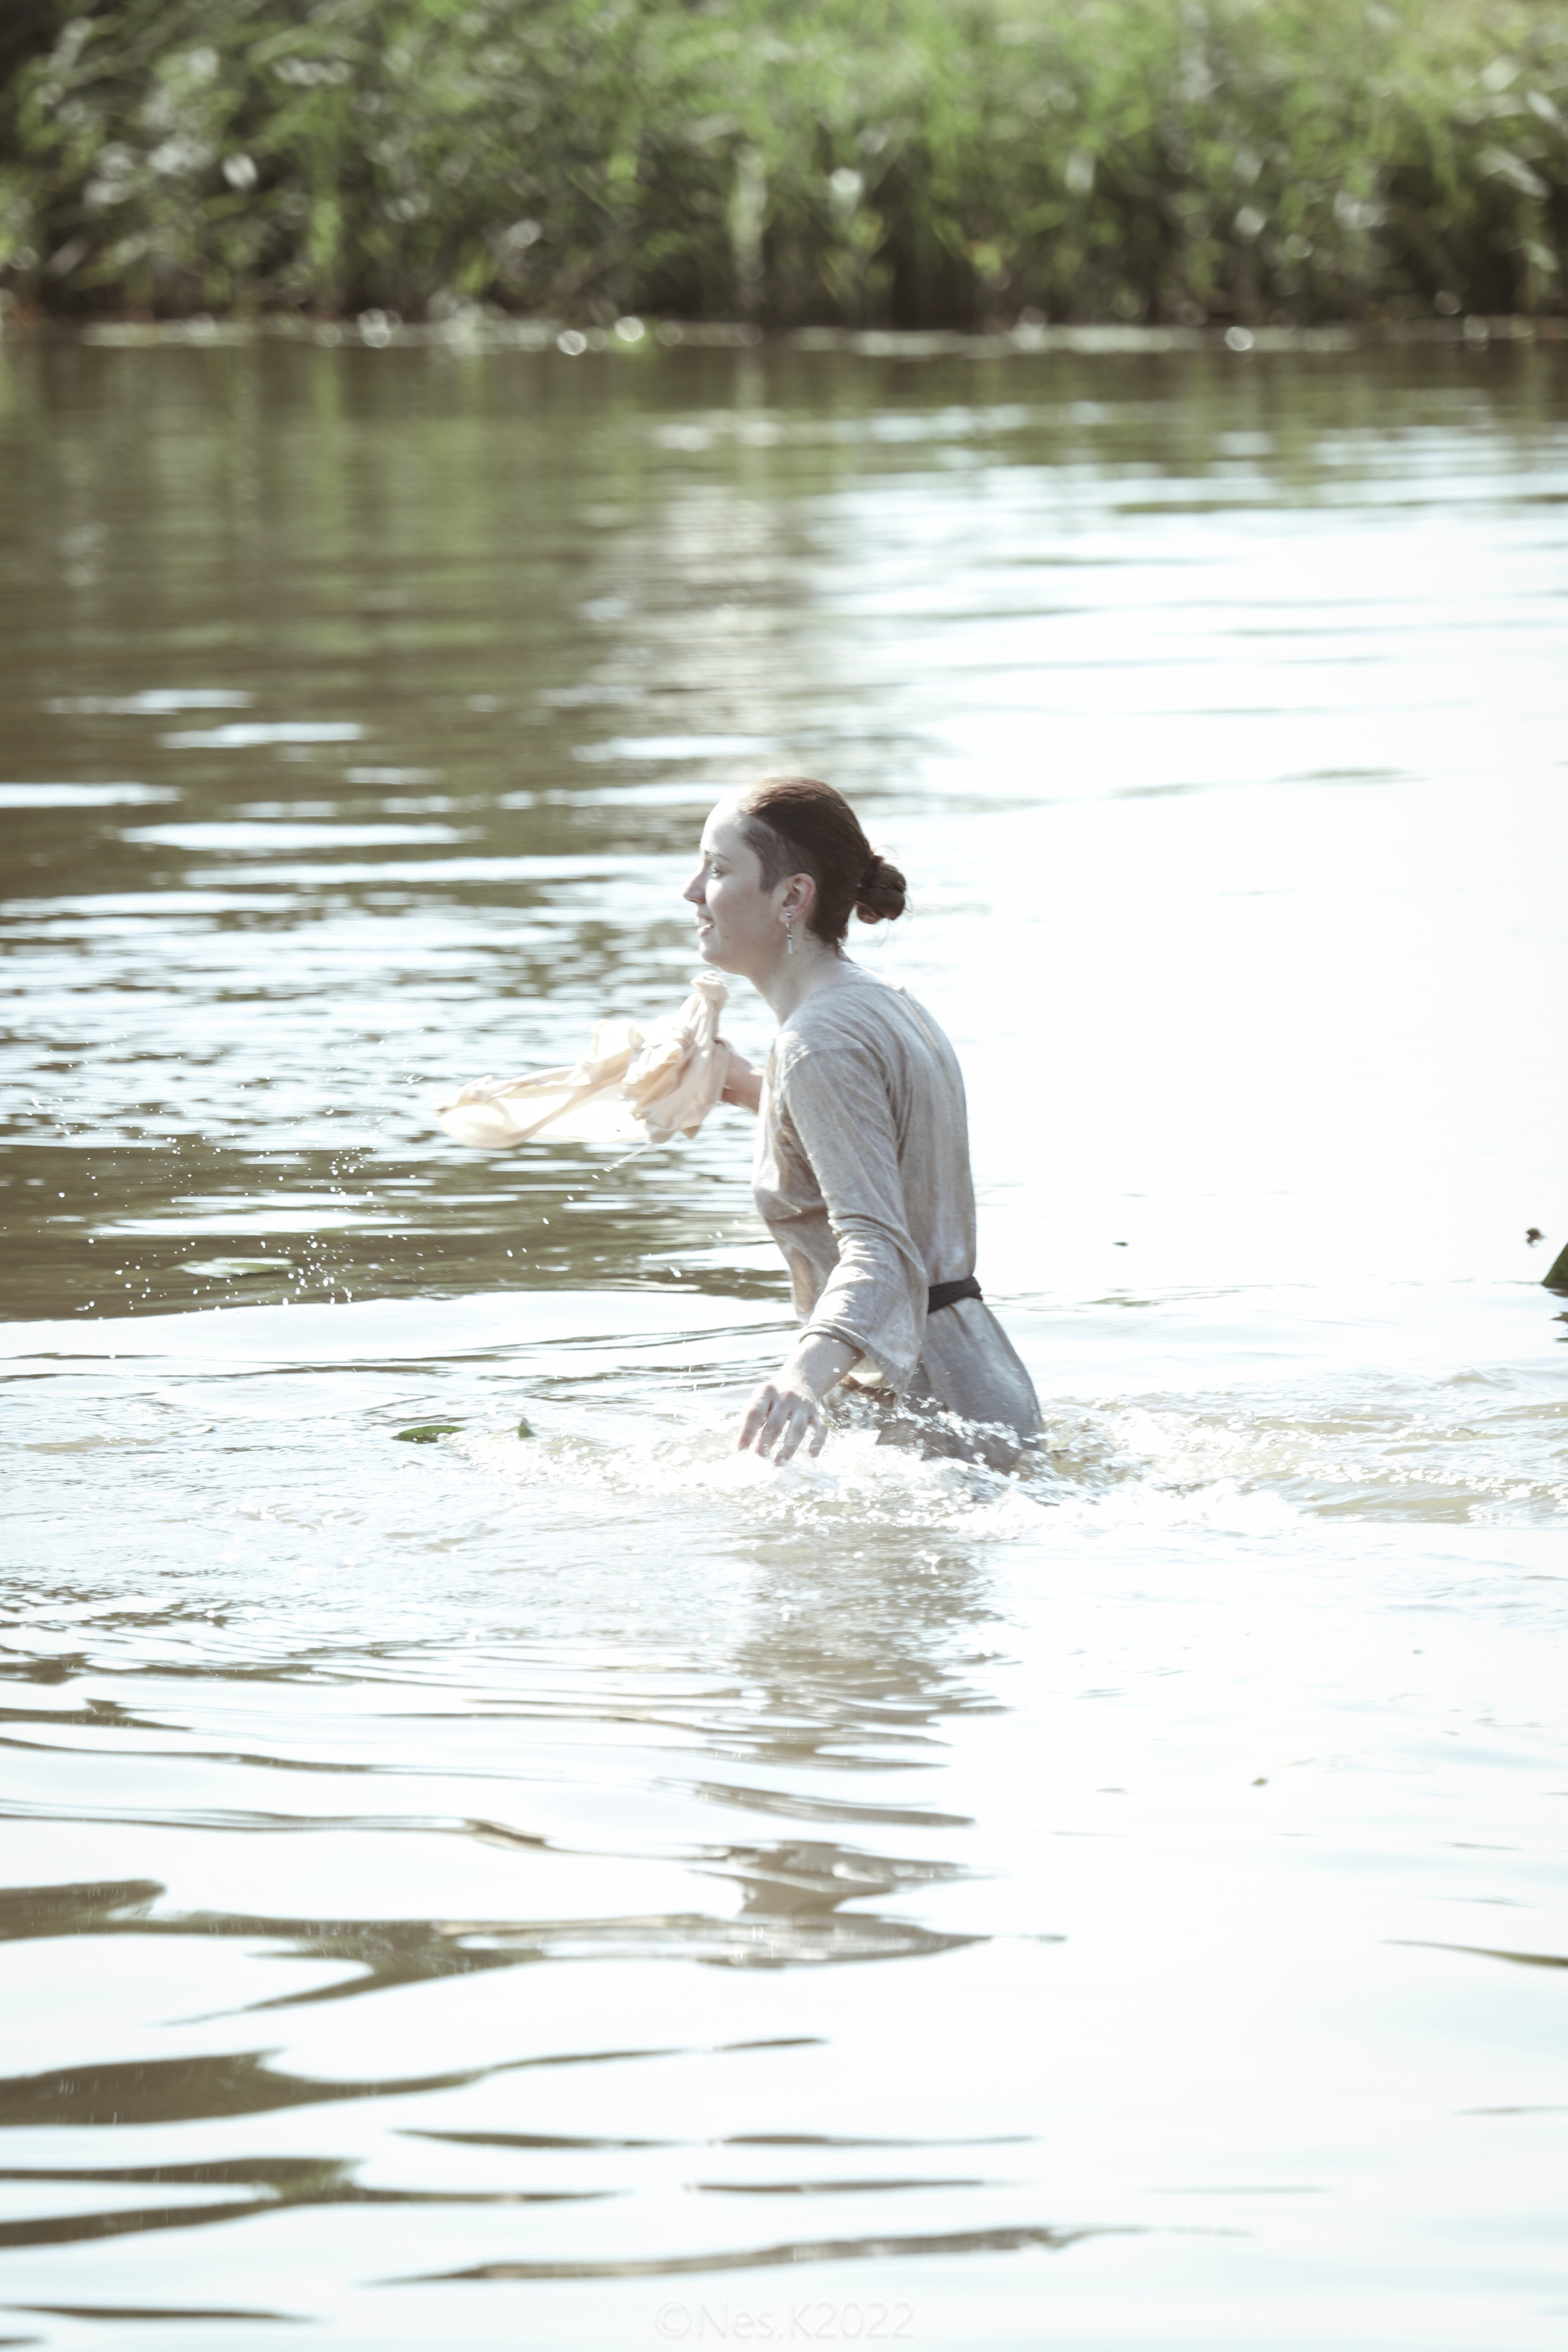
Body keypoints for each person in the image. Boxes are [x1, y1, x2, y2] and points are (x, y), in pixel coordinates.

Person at [684, 775, 1042, 1469]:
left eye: (718, 869)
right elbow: (889, 1149)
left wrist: (801, 1377)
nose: (692, 891)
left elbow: (879, 1249)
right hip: (982, 1382)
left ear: (792, 897)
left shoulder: (817, 1043)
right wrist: (752, 1090)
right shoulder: (880, 1004)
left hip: (936, 1411)